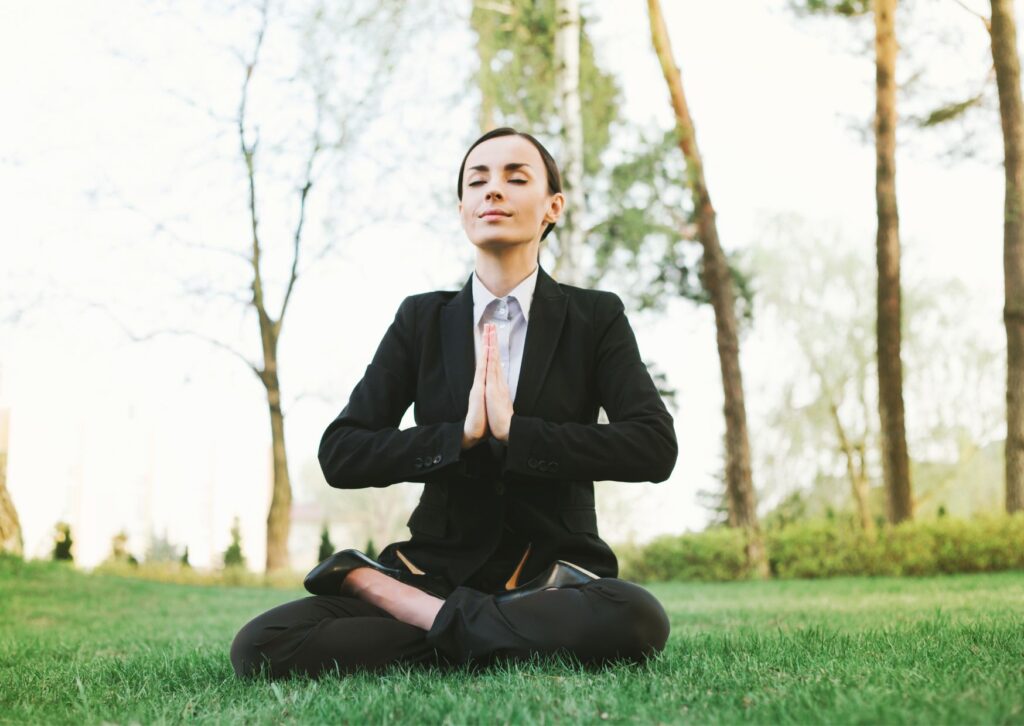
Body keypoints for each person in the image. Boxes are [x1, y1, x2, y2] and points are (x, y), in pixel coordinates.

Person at [230, 127, 678, 680]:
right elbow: (341, 453)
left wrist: (519, 432)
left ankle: (429, 620)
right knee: (263, 643)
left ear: (551, 207)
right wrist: (456, 437)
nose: (494, 191)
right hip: (433, 569)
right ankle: (487, 632)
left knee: (637, 618)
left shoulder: (595, 317)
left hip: (549, 580)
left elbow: (654, 447)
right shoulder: (422, 319)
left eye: (516, 178)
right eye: (478, 180)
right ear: (462, 206)